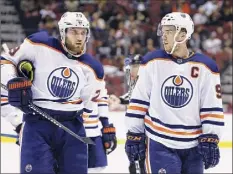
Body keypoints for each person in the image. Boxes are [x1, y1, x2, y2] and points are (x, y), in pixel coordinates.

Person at [0, 12, 105, 173]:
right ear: (63, 32)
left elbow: (88, 107)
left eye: (83, 33)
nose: (79, 37)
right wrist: (12, 81)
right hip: (37, 125)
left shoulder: (94, 69)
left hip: (72, 129)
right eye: (74, 32)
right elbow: (6, 61)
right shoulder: (38, 44)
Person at [125, 12, 224, 173]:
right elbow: (139, 101)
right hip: (159, 142)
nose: (164, 36)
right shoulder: (152, 61)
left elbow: (211, 107)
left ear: (184, 34)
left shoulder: (206, 67)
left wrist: (211, 137)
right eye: (163, 32)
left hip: (194, 146)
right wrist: (134, 133)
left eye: (169, 31)